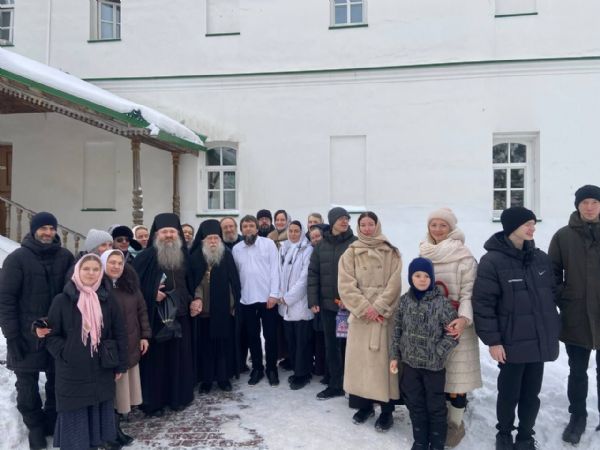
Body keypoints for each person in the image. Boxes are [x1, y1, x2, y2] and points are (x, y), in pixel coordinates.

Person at [473, 206, 560, 450]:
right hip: (511, 343)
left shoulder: (540, 259)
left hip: (538, 340)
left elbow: (552, 294)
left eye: (533, 223)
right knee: (509, 393)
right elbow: (483, 304)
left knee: (532, 394)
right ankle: (503, 434)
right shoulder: (492, 261)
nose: (533, 228)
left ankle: (525, 436)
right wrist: (493, 341)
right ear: (512, 227)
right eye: (527, 224)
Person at [0, 212, 74, 450]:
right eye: (43, 228)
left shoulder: (65, 257)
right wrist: (12, 337)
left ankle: (52, 419)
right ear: (33, 230)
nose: (48, 232)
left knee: (56, 380)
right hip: (25, 334)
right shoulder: (17, 259)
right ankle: (35, 426)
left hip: (57, 332)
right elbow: (6, 300)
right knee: (26, 385)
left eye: (51, 228)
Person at [46, 254, 128, 450]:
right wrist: (66, 352)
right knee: (76, 427)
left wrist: (120, 364)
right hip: (72, 373)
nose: (91, 273)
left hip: (101, 369)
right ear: (77, 271)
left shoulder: (107, 299)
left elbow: (119, 332)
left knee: (97, 425)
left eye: (95, 269)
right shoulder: (62, 300)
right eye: (86, 269)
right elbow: (51, 335)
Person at [419, 208, 482, 446]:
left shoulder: (463, 256)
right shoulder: (424, 252)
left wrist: (463, 319)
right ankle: (440, 419)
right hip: (431, 325)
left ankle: (455, 424)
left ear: (451, 228)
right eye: (433, 224)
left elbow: (468, 292)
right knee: (438, 377)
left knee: (457, 379)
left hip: (458, 324)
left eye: (442, 225)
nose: (437, 229)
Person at [338, 212, 402, 431]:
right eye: (363, 224)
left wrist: (379, 307)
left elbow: (395, 284)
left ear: (377, 225)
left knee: (383, 365)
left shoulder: (391, 252)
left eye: (370, 224)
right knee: (361, 365)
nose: (367, 228)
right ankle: (364, 406)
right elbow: (345, 285)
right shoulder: (350, 252)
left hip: (384, 316)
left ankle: (386, 411)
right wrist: (366, 309)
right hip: (361, 318)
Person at [548, 184, 600, 444]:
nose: (589, 207)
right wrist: (564, 298)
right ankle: (577, 417)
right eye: (584, 202)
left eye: (594, 202)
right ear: (577, 206)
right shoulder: (563, 236)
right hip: (576, 314)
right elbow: (552, 273)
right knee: (577, 371)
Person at [390, 257, 458, 450]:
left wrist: (438, 352)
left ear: (432, 278)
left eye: (426, 276)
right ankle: (420, 441)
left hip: (433, 368)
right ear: (411, 278)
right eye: (417, 275)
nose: (422, 279)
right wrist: (394, 356)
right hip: (410, 365)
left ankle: (437, 443)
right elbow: (397, 330)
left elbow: (453, 334)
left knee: (435, 406)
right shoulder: (404, 301)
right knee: (415, 404)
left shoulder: (441, 303)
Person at [132, 213, 195, 416]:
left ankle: (178, 398)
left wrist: (195, 299)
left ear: (178, 234)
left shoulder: (184, 257)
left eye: (172, 232)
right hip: (156, 318)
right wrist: (151, 293)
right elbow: (133, 288)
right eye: (164, 232)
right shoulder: (145, 257)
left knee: (179, 359)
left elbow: (190, 284)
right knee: (157, 362)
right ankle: (155, 403)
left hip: (181, 316)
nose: (168, 235)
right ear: (156, 234)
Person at [101, 249, 151, 446]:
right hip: (109, 349)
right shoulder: (98, 286)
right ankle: (109, 432)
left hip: (130, 344)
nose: (116, 266)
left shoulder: (129, 284)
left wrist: (145, 335)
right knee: (110, 392)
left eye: (119, 263)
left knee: (122, 391)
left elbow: (142, 310)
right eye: (111, 262)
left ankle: (115, 428)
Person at [308, 206, 357, 400]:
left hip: (350, 307)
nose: (345, 221)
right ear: (332, 222)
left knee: (350, 346)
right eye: (340, 219)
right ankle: (335, 383)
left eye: (347, 218)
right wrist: (313, 300)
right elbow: (313, 273)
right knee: (332, 346)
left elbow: (360, 274)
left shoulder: (355, 244)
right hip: (328, 306)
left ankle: (352, 384)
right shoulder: (321, 245)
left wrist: (351, 298)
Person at [189, 220, 241, 393]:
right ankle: (207, 380)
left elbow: (233, 283)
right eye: (209, 238)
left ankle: (223, 378)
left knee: (223, 346)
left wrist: (233, 305)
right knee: (205, 347)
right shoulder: (195, 257)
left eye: (216, 238)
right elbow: (193, 283)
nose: (213, 241)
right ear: (203, 240)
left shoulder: (226, 255)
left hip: (224, 310)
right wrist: (196, 299)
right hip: (204, 312)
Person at [232, 215, 281, 386]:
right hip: (247, 299)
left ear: (257, 228)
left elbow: (276, 270)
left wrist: (274, 294)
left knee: (270, 336)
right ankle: (257, 368)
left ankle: (272, 369)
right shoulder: (237, 249)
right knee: (252, 336)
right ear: (241, 230)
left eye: (251, 226)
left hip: (267, 298)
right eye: (245, 226)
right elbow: (236, 275)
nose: (248, 229)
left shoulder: (268, 244)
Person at [278, 220, 314, 390]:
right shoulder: (283, 248)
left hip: (300, 304)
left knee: (302, 343)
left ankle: (303, 374)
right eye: (290, 231)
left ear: (301, 232)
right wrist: (280, 296)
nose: (293, 234)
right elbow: (279, 273)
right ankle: (296, 370)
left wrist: (288, 298)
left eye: (296, 231)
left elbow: (304, 279)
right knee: (291, 341)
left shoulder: (307, 250)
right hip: (285, 305)